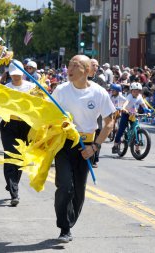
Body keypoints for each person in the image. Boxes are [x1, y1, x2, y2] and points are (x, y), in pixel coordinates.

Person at [52, 55, 115, 243]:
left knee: (78, 192)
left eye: (75, 65)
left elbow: (109, 122)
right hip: (63, 144)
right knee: (65, 186)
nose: (69, 68)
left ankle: (69, 222)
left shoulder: (99, 93)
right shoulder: (61, 90)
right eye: (69, 64)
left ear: (87, 70)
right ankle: (64, 228)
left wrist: (95, 147)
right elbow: (47, 114)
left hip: (86, 146)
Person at [0, 60, 35, 206]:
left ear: (23, 74)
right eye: (13, 75)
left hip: (26, 126)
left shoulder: (32, 87)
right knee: (10, 155)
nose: (16, 77)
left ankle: (12, 182)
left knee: (20, 158)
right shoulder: (6, 88)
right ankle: (14, 192)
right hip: (9, 124)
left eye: (18, 75)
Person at [112, 82, 150, 153]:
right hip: (126, 113)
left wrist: (147, 111)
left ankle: (137, 148)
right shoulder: (129, 96)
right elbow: (126, 102)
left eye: (138, 91)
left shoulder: (139, 97)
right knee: (121, 129)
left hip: (134, 114)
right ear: (131, 91)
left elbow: (144, 105)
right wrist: (123, 108)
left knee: (136, 130)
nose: (136, 92)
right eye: (134, 91)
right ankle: (115, 145)